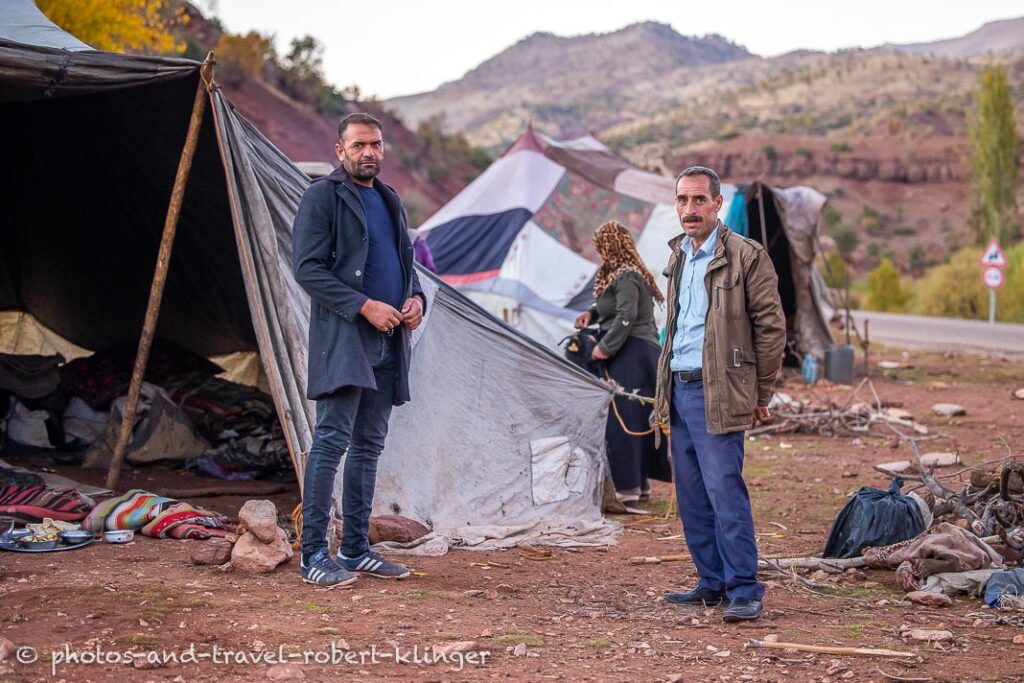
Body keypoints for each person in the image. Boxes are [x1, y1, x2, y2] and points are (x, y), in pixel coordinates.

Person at [292, 112, 426, 588]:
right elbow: (307, 269)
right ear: (340, 150)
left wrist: (415, 300)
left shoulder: (390, 200)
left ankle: (354, 549)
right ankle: (312, 554)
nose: (368, 152)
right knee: (331, 442)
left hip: (391, 340)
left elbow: (405, 268)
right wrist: (365, 306)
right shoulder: (322, 196)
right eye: (358, 145)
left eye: (375, 144)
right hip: (346, 339)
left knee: (368, 446)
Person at [652, 166, 785, 622]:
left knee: (725, 491)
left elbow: (771, 328)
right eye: (683, 201)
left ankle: (744, 589)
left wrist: (760, 391)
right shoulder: (678, 256)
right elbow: (676, 327)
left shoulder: (747, 256)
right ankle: (711, 582)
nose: (690, 210)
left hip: (719, 390)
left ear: (716, 203)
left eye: (699, 200)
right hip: (678, 388)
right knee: (691, 496)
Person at [574, 221, 671, 506]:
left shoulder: (627, 275)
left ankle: (627, 487)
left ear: (611, 246)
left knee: (623, 421)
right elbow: (616, 307)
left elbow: (626, 316)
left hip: (634, 354)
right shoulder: (619, 275)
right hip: (633, 352)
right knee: (632, 418)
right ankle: (637, 485)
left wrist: (604, 348)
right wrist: (592, 314)